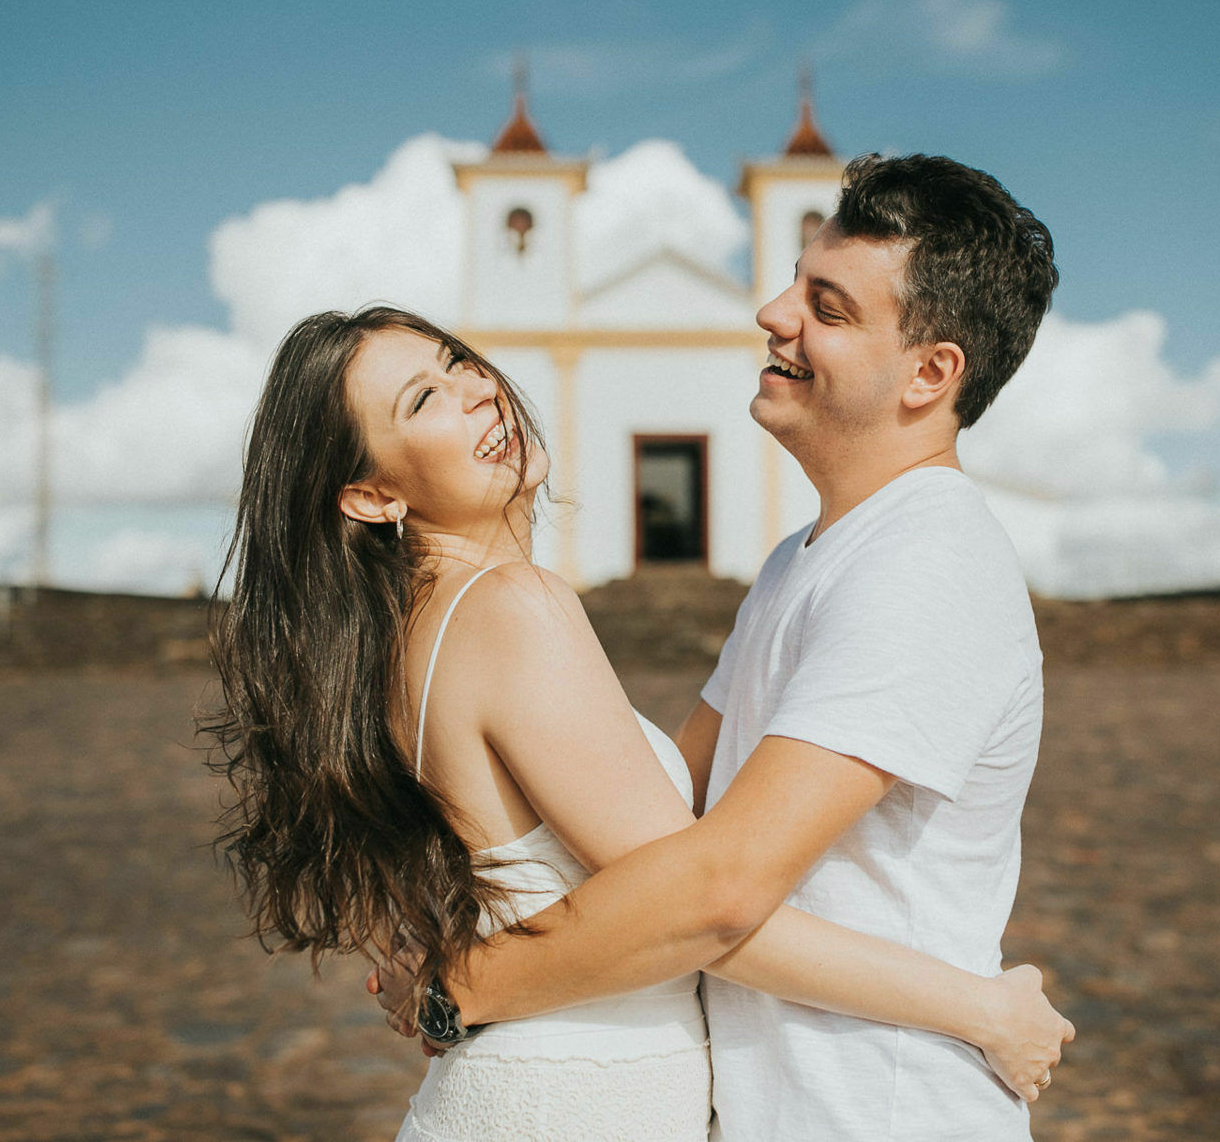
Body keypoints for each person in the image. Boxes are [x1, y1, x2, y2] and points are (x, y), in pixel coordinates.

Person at [204, 301, 1069, 1142]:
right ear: (369, 495)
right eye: (423, 400)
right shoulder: (511, 606)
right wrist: (981, 1007)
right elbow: (700, 902)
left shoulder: (411, 634)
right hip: (578, 1098)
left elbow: (679, 828)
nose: (475, 390)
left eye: (456, 361)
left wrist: (453, 984)